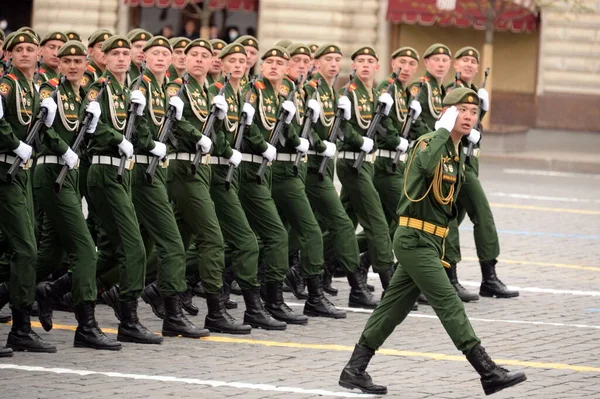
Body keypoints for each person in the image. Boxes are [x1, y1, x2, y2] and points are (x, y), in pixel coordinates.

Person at [338, 88, 527, 396]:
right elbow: (424, 168)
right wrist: (441, 131)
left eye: (473, 112)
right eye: (461, 110)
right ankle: (487, 370)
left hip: (431, 242)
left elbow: (455, 205)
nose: (468, 116)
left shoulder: (457, 153)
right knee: (449, 302)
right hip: (414, 239)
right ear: (447, 111)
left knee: (392, 309)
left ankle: (354, 370)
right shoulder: (429, 142)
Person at [33, 40, 121, 351]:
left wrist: (117, 137)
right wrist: (63, 149)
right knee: (86, 251)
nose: (72, 65)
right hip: (51, 171)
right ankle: (86, 325)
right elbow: (42, 129)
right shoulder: (50, 91)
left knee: (49, 255)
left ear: (85, 64)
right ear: (58, 63)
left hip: (72, 174)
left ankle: (19, 295)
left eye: (77, 61)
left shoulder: (82, 94)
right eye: (66, 60)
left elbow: (94, 129)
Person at [163, 38, 251, 334]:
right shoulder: (178, 89)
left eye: (204, 55)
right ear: (184, 60)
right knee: (212, 238)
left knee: (180, 241)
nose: (199, 60)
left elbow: (212, 132)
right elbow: (176, 124)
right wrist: (200, 136)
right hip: (183, 166)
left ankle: (162, 296)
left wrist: (224, 141)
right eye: (193, 55)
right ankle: (214, 310)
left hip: (201, 168)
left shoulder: (205, 93)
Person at [83, 35, 161, 345]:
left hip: (123, 171)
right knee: (134, 248)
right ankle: (129, 319)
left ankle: (54, 290)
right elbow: (89, 125)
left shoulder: (127, 91)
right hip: (104, 168)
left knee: (114, 252)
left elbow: (139, 134)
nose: (120, 59)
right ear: (103, 57)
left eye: (125, 54)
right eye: (114, 53)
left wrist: (144, 126)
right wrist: (117, 139)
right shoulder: (99, 88)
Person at [206, 42, 287, 331]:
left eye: (243, 60)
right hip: (217, 170)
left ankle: (245, 300)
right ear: (223, 63)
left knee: (222, 242)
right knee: (242, 241)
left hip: (235, 170)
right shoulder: (218, 92)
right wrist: (230, 152)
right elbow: (214, 132)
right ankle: (252, 306)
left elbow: (248, 128)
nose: (239, 64)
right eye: (232, 60)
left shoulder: (242, 93)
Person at [271, 43, 345, 318]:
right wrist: (302, 140)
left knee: (280, 234)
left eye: (306, 61)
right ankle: (304, 291)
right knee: (301, 232)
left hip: (296, 170)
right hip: (277, 171)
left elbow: (315, 131)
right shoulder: (282, 92)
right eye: (297, 61)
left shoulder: (302, 93)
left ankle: (281, 292)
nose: (302, 65)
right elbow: (281, 131)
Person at [302, 44, 378, 309]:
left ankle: (310, 276)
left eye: (337, 59)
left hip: (323, 167)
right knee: (339, 225)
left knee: (321, 227)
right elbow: (304, 129)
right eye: (328, 59)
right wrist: (320, 145)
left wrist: (359, 140)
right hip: (309, 166)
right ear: (317, 62)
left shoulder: (332, 92)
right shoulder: (311, 90)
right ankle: (354, 285)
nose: (334, 63)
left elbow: (341, 128)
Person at [238, 46, 307, 325]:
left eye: (281, 63)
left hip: (263, 169)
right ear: (262, 66)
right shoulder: (253, 90)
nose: (275, 67)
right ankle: (270, 300)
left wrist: (292, 129)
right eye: (270, 62)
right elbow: (250, 126)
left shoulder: (280, 95)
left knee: (252, 238)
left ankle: (265, 299)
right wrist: (261, 144)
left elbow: (284, 133)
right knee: (275, 235)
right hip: (247, 165)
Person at [444, 46, 518, 301]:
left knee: (454, 219)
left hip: (470, 162)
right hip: (456, 163)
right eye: (464, 60)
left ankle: (484, 278)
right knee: (475, 216)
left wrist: (481, 110)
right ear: (456, 64)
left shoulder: (473, 92)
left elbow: (473, 122)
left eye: (473, 62)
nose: (469, 65)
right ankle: (464, 278)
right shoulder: (450, 92)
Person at [0, 31, 57, 353]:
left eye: (29, 49)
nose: (25, 53)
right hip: (4, 169)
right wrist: (14, 143)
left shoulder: (34, 89)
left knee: (21, 248)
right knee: (25, 250)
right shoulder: (6, 85)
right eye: (18, 49)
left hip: (22, 172)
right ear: (10, 54)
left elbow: (41, 134)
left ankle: (20, 326)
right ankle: (20, 328)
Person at [336, 46, 396, 294]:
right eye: (360, 61)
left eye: (370, 61)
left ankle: (319, 265)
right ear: (354, 66)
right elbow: (341, 127)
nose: (365, 65)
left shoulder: (375, 95)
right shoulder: (347, 92)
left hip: (368, 165)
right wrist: (360, 141)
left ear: (377, 67)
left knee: (343, 223)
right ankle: (387, 282)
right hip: (352, 162)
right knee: (377, 223)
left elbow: (387, 130)